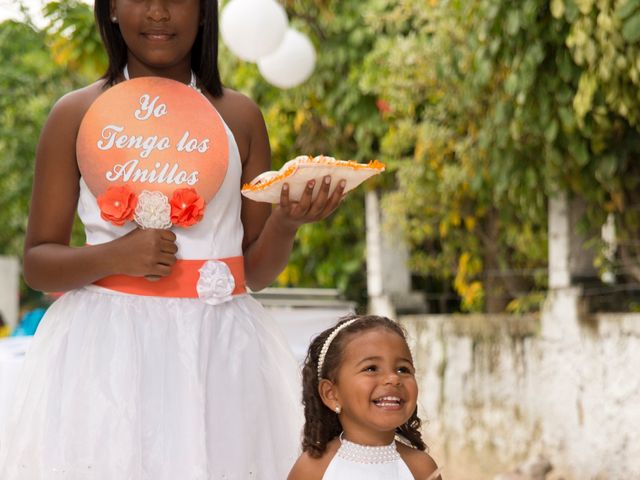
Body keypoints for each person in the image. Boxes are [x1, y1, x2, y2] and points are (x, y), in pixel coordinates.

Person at [0, 0, 346, 478]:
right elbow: (39, 263)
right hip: (107, 355)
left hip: (220, 350)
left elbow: (257, 274)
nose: (158, 11)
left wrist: (285, 223)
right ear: (113, 9)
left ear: (204, 12)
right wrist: (118, 255)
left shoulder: (240, 116)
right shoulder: (76, 113)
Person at [288, 315, 442, 480]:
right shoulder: (312, 469)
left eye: (403, 369)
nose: (393, 379)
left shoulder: (422, 468)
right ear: (331, 394)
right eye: (371, 368)